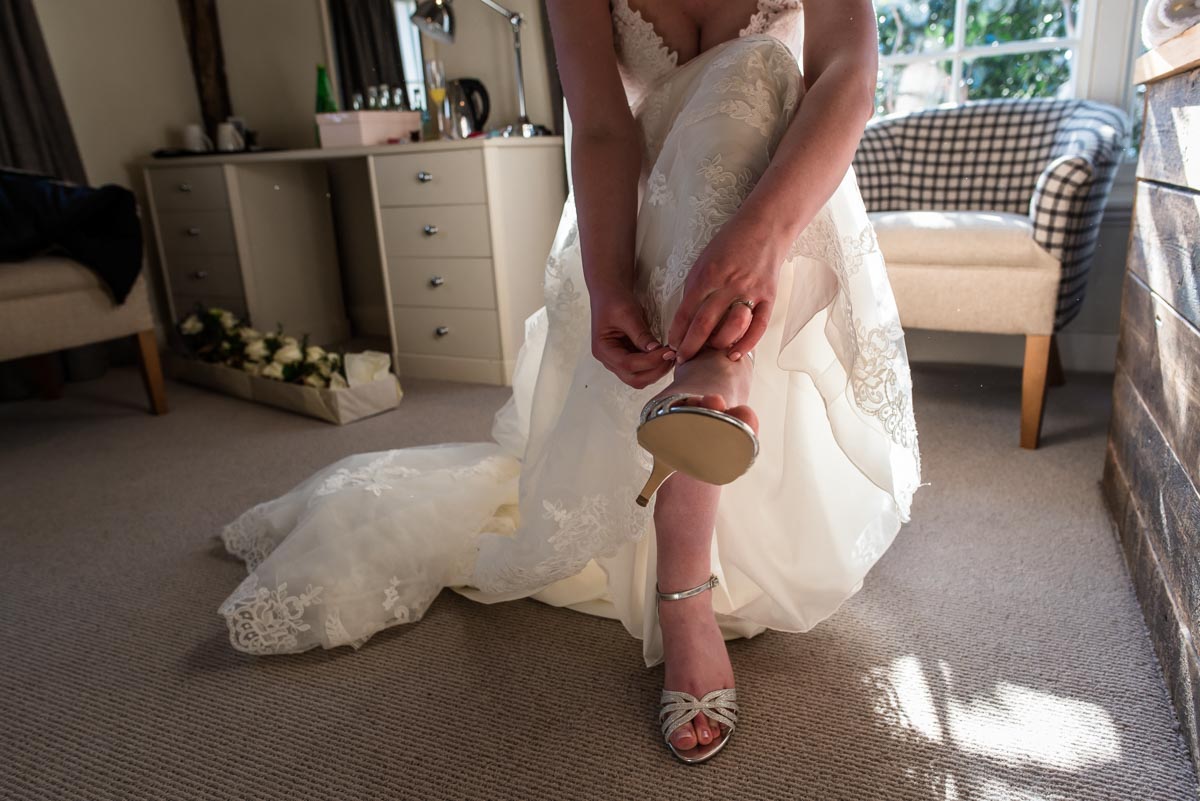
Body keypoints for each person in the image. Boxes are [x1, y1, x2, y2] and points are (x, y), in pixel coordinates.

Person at [217, 0, 920, 765]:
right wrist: (608, 280)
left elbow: (847, 73)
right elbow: (605, 126)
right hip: (648, 199)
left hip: (786, 193)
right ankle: (709, 385)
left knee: (760, 70)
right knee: (726, 109)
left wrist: (761, 238)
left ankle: (701, 426)